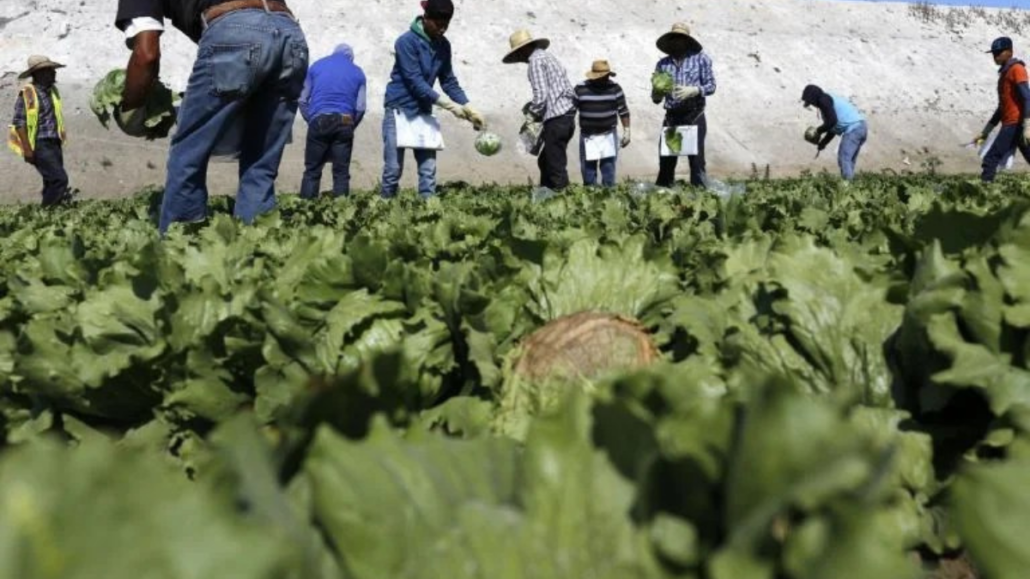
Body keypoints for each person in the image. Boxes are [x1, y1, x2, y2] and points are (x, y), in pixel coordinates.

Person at [115, 0, 308, 233]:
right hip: (290, 35)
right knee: (260, 162)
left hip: (236, 30)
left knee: (188, 155)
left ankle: (183, 242)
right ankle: (259, 246)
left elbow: (146, 54)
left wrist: (132, 109)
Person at [381, 0, 484, 199]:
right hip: (398, 109)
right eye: (438, 24)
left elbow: (449, 81)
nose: (442, 29)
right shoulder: (406, 42)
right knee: (393, 169)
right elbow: (415, 82)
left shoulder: (443, 45)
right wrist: (449, 105)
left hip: (423, 111)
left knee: (428, 171)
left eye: (446, 25)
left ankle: (428, 214)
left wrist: (469, 106)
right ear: (426, 18)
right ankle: (385, 210)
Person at [503, 29, 576, 190]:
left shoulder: (535, 62)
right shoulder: (546, 57)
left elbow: (541, 95)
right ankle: (546, 195)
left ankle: (563, 197)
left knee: (554, 163)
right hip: (567, 115)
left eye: (518, 55)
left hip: (557, 117)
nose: (520, 59)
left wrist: (531, 115)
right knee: (545, 160)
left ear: (523, 50)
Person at [298, 43, 366, 199]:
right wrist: (350, 125)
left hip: (319, 118)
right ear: (350, 58)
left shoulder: (316, 66)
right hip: (345, 120)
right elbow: (361, 107)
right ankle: (341, 213)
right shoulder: (358, 72)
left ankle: (306, 211)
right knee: (341, 172)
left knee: (312, 170)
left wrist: (312, 120)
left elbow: (302, 99)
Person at [652, 23, 716, 188]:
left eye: (681, 38)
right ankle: (663, 194)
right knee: (667, 159)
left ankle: (700, 194)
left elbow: (711, 86)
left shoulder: (701, 59)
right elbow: (656, 98)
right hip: (672, 116)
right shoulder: (663, 64)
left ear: (687, 41)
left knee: (696, 160)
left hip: (694, 115)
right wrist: (657, 94)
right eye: (674, 38)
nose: (677, 42)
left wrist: (694, 90)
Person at [7, 55, 71, 206]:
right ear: (38, 74)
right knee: (59, 179)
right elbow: (19, 122)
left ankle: (49, 216)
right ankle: (48, 212)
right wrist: (27, 149)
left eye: (52, 70)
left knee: (50, 181)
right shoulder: (28, 93)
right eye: (49, 70)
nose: (54, 73)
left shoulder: (52, 91)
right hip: (39, 143)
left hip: (54, 141)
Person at [974, 37, 1030, 183]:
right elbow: (1002, 108)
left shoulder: (1017, 69)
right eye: (994, 53)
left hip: (1016, 123)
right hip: (1013, 123)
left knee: (991, 158)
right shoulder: (1004, 75)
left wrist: (1027, 126)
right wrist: (985, 133)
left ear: (1010, 52)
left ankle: (983, 194)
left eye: (999, 52)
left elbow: (1027, 97)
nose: (996, 56)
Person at [573, 60, 631, 187]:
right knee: (588, 170)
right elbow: (571, 110)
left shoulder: (615, 88)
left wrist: (627, 130)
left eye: (607, 76)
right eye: (602, 76)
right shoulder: (580, 88)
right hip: (588, 136)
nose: (605, 78)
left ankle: (608, 195)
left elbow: (623, 110)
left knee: (608, 168)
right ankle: (590, 194)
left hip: (608, 134)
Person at [801, 84, 868, 181]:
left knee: (844, 158)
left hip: (853, 129)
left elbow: (832, 122)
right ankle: (852, 186)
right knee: (849, 160)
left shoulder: (823, 100)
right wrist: (823, 143)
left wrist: (818, 131)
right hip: (860, 127)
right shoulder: (827, 102)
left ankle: (847, 188)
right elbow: (832, 128)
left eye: (811, 102)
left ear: (813, 97)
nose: (812, 105)